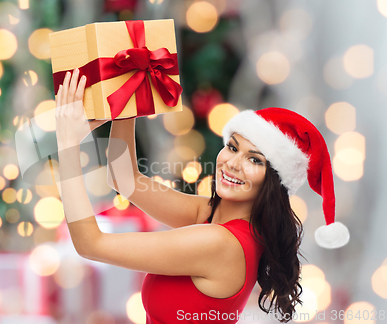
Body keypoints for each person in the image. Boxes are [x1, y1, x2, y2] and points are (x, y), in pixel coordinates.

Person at [54, 68, 350, 323]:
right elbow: (125, 179)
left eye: (254, 160)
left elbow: (91, 243)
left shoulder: (220, 243)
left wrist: (67, 146)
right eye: (233, 147)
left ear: (273, 182)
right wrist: (130, 100)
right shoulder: (210, 216)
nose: (233, 163)